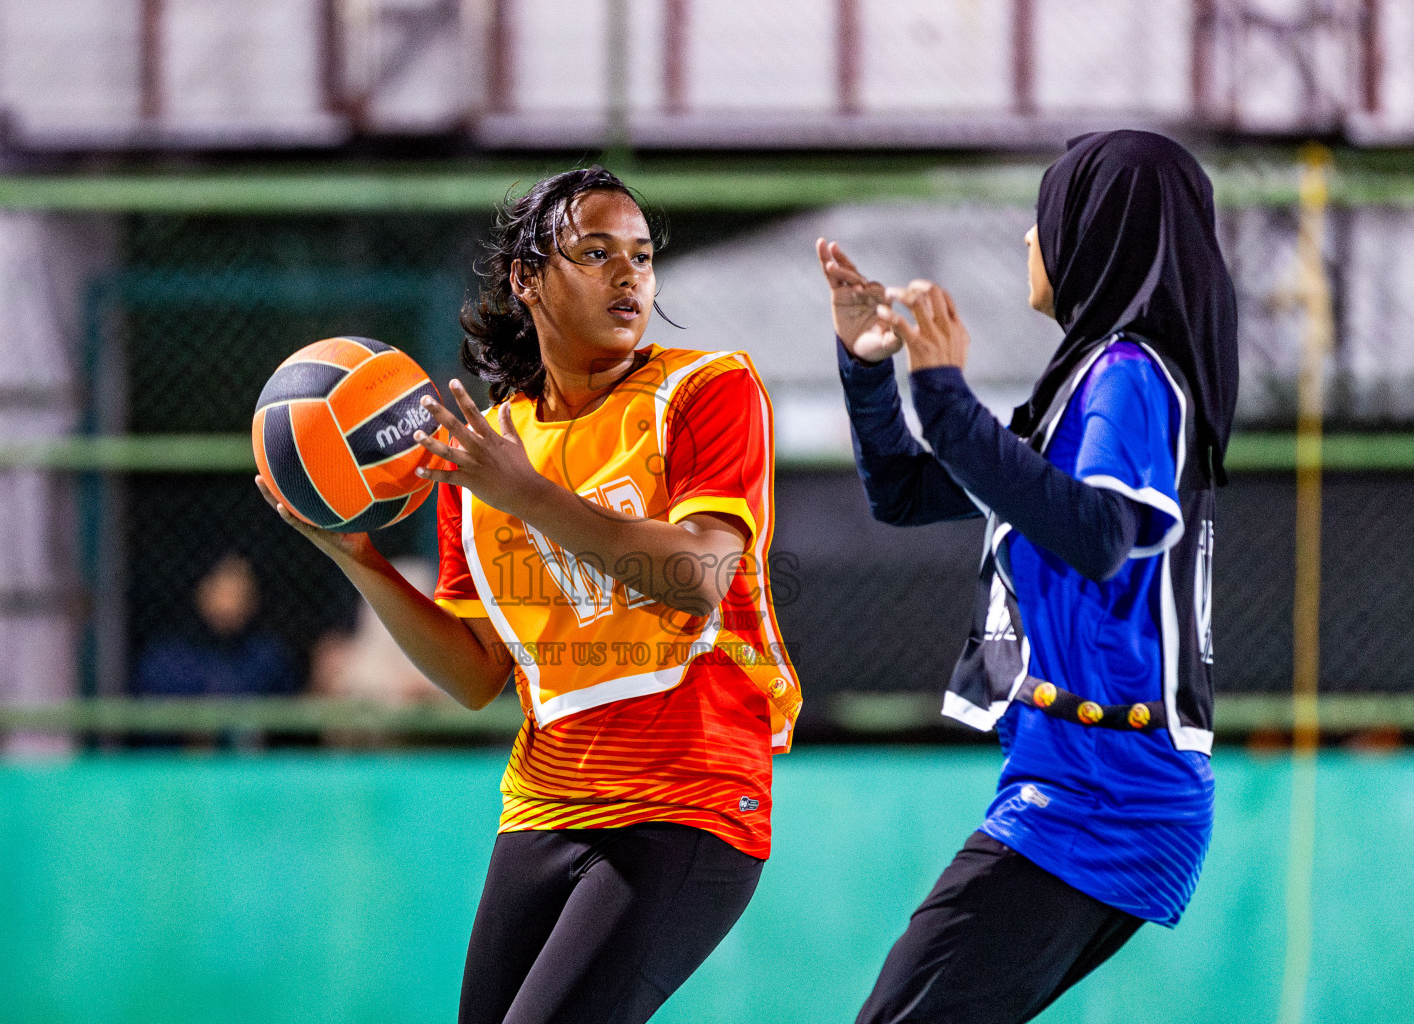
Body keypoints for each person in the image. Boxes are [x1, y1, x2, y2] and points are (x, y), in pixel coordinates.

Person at [257, 165, 800, 1024]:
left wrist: (527, 495)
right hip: (547, 802)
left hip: (690, 797)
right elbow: (476, 676)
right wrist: (359, 558)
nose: (630, 276)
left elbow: (699, 577)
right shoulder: (484, 452)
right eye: (596, 252)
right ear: (527, 277)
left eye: (643, 256)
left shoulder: (704, 391)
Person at [819, 130, 1237, 1023]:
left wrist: (945, 391)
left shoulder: (1131, 375)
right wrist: (870, 367)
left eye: (1042, 218)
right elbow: (905, 491)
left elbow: (1095, 533)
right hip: (1082, 783)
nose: (1027, 240)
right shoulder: (1090, 381)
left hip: (1106, 795)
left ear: (1096, 232)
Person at [133, 552, 295, 698]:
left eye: (240, 594)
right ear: (203, 592)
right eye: (224, 592)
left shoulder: (267, 658)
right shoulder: (167, 660)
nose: (230, 604)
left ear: (253, 601)